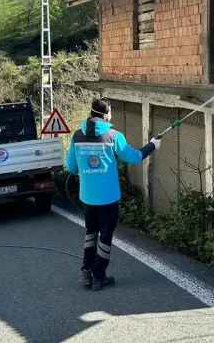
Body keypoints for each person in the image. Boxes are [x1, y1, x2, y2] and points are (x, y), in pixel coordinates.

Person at [65, 98, 161, 291]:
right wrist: (152, 145)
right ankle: (99, 277)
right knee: (105, 235)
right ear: (106, 115)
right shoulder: (114, 136)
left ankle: (87, 273)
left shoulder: (77, 136)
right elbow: (134, 157)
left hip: (88, 197)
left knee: (91, 232)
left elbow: (71, 167)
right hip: (108, 197)